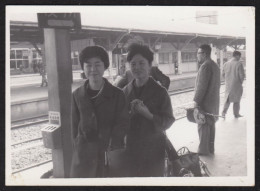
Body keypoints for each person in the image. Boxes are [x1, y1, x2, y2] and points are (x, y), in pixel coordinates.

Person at [70, 46, 129, 178]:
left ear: (105, 66)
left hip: (109, 157)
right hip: (83, 159)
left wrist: (111, 147)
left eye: (97, 64)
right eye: (88, 65)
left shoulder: (117, 95)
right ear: (83, 68)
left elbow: (123, 124)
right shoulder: (76, 95)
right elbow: (74, 129)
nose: (93, 69)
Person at [123, 43, 175, 177]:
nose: (137, 67)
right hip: (130, 149)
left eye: (141, 63)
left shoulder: (160, 92)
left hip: (154, 150)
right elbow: (118, 122)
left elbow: (168, 121)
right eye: (133, 64)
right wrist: (130, 114)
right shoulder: (124, 92)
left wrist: (149, 115)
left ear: (150, 65)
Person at [193, 44, 220, 155]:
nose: (197, 56)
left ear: (204, 54)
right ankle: (211, 148)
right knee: (211, 125)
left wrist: (196, 102)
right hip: (213, 102)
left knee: (203, 125)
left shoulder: (205, 66)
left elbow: (201, 87)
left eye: (198, 53)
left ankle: (203, 151)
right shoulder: (214, 65)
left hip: (204, 103)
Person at [222, 51, 245, 118]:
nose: (239, 58)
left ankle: (223, 113)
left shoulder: (226, 64)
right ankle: (236, 114)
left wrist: (228, 80)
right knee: (237, 100)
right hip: (236, 84)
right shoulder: (239, 64)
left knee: (227, 100)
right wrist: (240, 82)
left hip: (228, 85)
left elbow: (223, 74)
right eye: (239, 56)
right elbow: (242, 75)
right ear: (237, 56)